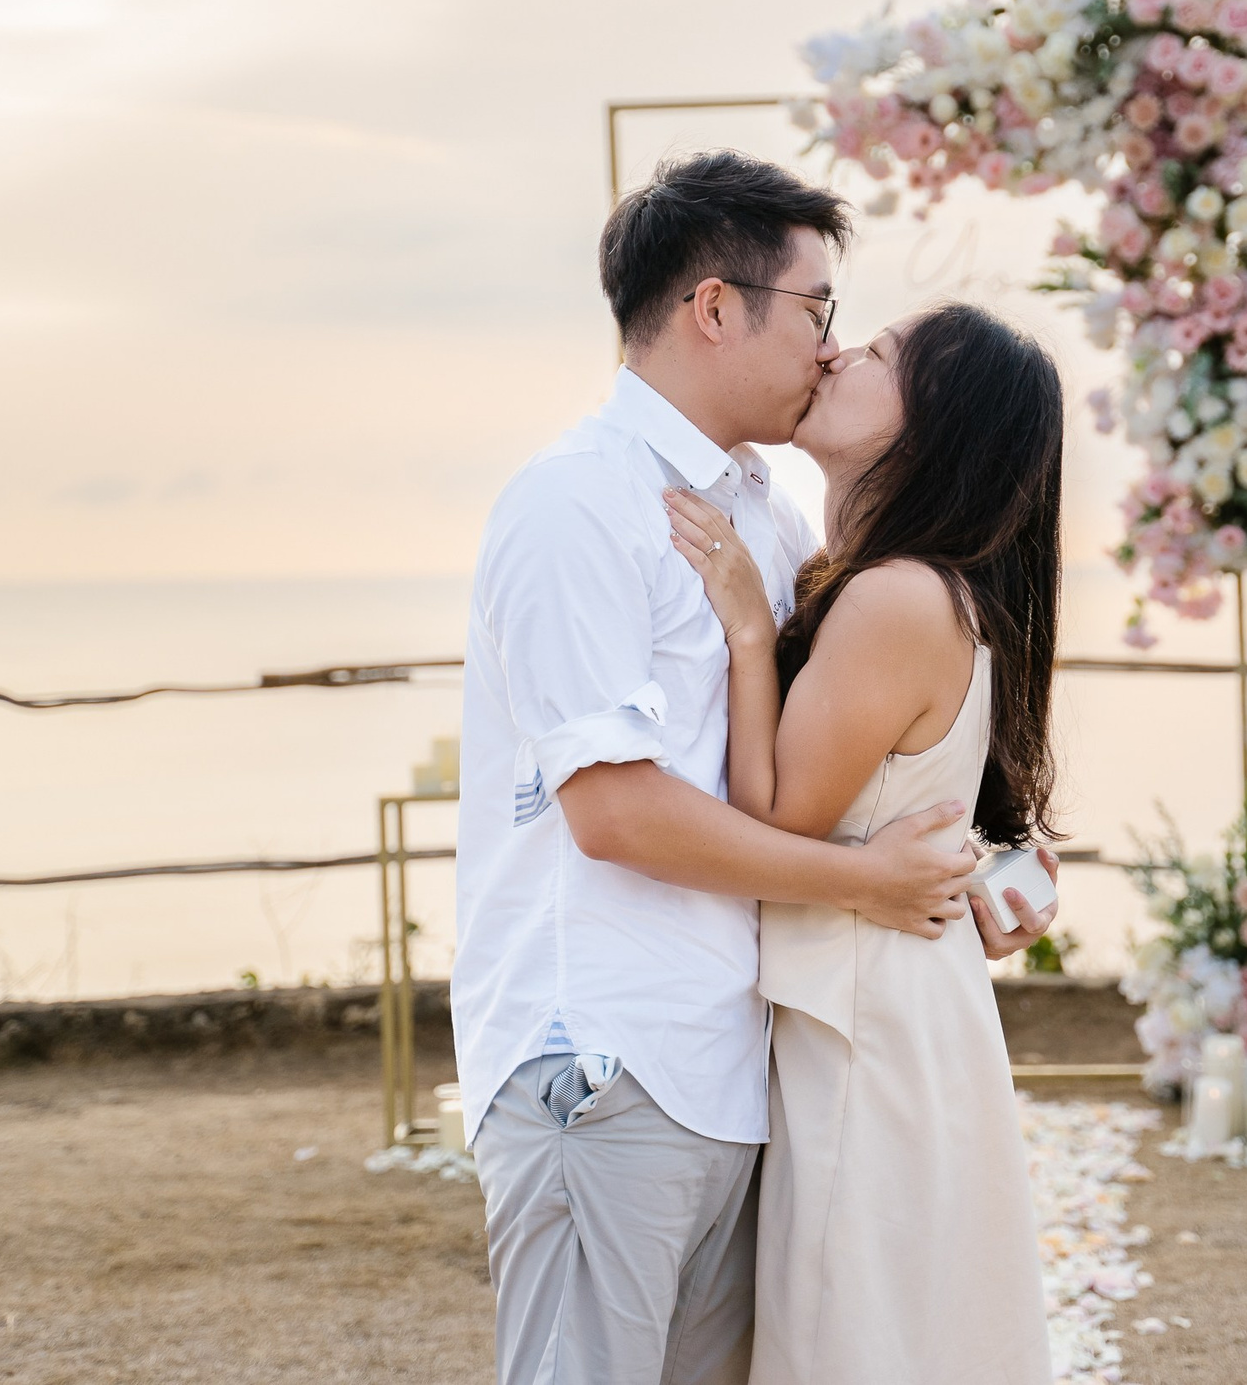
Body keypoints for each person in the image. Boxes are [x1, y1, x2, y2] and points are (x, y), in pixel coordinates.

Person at [451, 151, 1060, 1385]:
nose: (830, 347)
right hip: (607, 1052)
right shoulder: (578, 504)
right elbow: (613, 813)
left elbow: (861, 762)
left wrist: (972, 867)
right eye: (818, 311)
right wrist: (871, 886)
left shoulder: (776, 523)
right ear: (715, 309)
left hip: (743, 1061)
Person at [665, 302, 1064, 1385]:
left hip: (867, 1022)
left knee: (856, 1327)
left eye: (880, 355)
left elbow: (777, 818)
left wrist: (751, 632)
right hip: (886, 1000)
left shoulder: (894, 598)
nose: (838, 349)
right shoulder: (913, 587)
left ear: (932, 428)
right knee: (895, 1320)